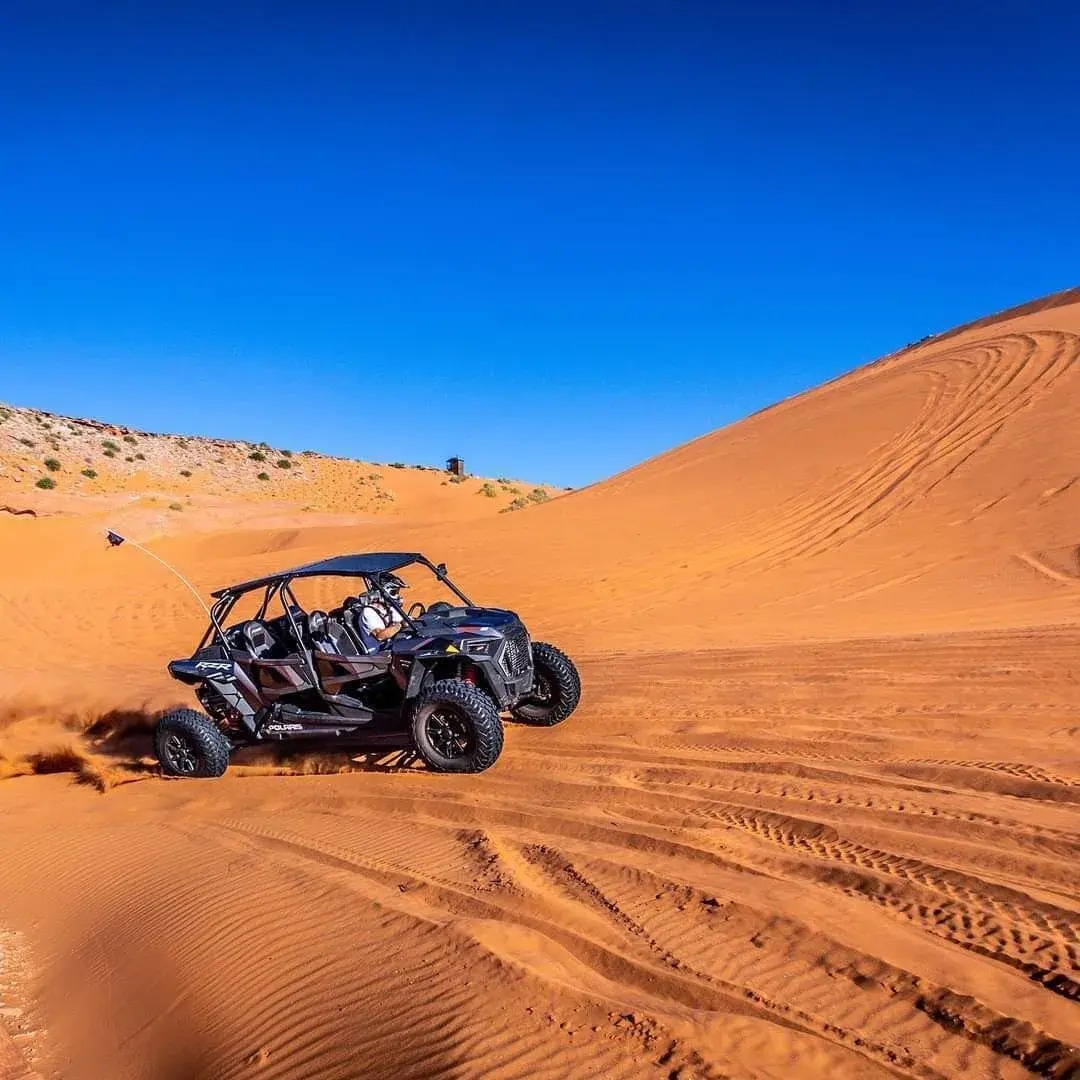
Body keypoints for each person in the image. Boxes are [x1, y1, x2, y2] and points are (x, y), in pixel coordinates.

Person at [358, 572, 408, 643]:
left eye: (397, 592)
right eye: (393, 592)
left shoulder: (390, 607)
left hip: (395, 643)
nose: (397, 596)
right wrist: (399, 625)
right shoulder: (369, 612)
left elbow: (402, 621)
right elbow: (380, 636)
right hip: (381, 651)